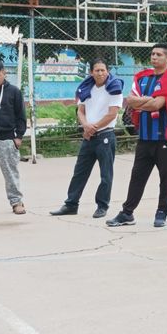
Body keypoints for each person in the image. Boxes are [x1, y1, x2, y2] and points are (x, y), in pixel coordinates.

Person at [106, 43, 167, 228]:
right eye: (153, 54)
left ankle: (162, 211)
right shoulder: (142, 78)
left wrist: (145, 103)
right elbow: (130, 100)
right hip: (144, 138)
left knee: (165, 177)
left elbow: (157, 105)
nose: (154, 57)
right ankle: (127, 213)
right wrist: (149, 100)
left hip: (164, 138)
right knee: (137, 176)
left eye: (159, 55)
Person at [50, 59, 123, 218]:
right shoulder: (86, 87)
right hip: (89, 137)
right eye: (97, 70)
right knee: (79, 172)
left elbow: (112, 114)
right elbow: (80, 111)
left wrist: (93, 127)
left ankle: (102, 206)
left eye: (103, 70)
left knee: (106, 174)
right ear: (91, 72)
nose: (100, 73)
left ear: (107, 71)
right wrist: (86, 126)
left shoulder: (114, 88)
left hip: (105, 136)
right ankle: (71, 204)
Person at [0, 59, 26, 215]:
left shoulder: (14, 91)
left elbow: (21, 116)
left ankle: (16, 202)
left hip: (7, 140)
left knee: (11, 174)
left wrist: (18, 137)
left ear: (4, 73)